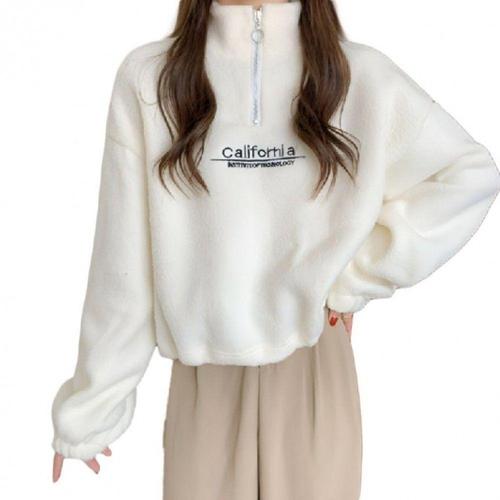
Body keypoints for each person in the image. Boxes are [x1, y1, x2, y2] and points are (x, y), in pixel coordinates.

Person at [50, 0, 500, 498]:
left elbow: (467, 175)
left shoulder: (359, 77)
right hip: (204, 380)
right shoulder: (152, 80)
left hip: (314, 367)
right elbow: (123, 257)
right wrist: (90, 408)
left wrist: (354, 278)